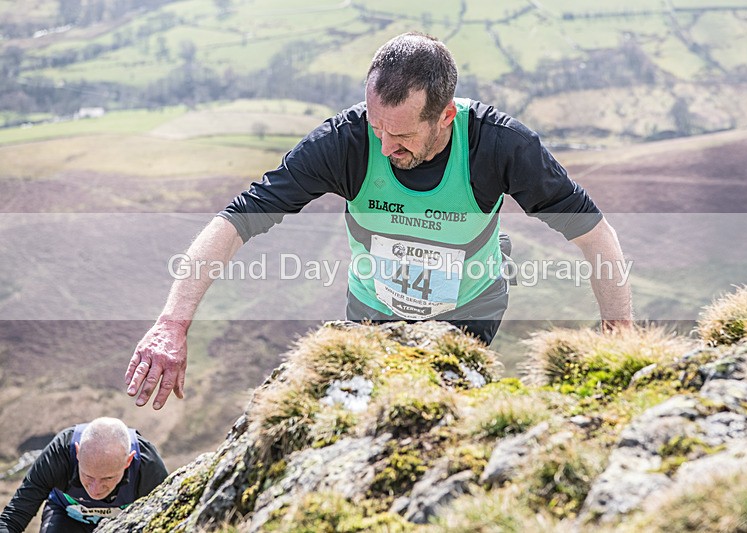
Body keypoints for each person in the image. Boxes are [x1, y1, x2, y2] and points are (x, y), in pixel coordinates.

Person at [125, 31, 633, 411]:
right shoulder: (345, 142)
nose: (386, 149)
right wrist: (172, 324)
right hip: (373, 307)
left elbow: (593, 233)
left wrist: (619, 327)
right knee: (363, 411)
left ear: (445, 116)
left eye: (403, 136)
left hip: (470, 308)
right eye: (377, 127)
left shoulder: (498, 145)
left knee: (437, 412)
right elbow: (237, 220)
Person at [0, 417, 168, 533]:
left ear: (128, 461)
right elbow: (16, 515)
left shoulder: (148, 467)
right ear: (78, 453)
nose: (95, 490)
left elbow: (164, 520)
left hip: (125, 519)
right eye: (88, 475)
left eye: (108, 478)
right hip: (66, 516)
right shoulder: (60, 454)